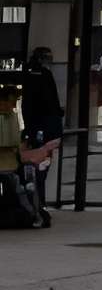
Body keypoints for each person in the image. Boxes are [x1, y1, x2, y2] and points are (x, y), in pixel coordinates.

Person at [21, 48, 63, 227]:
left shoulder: (30, 75)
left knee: (38, 168)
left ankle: (39, 203)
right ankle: (39, 204)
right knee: (40, 168)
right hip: (44, 131)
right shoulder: (42, 76)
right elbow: (49, 103)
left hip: (37, 130)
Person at [0, 82, 39, 230]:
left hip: (10, 166)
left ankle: (32, 213)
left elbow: (15, 143)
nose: (10, 106)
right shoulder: (9, 118)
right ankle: (33, 214)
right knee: (21, 189)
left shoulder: (11, 117)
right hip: (9, 167)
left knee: (21, 188)